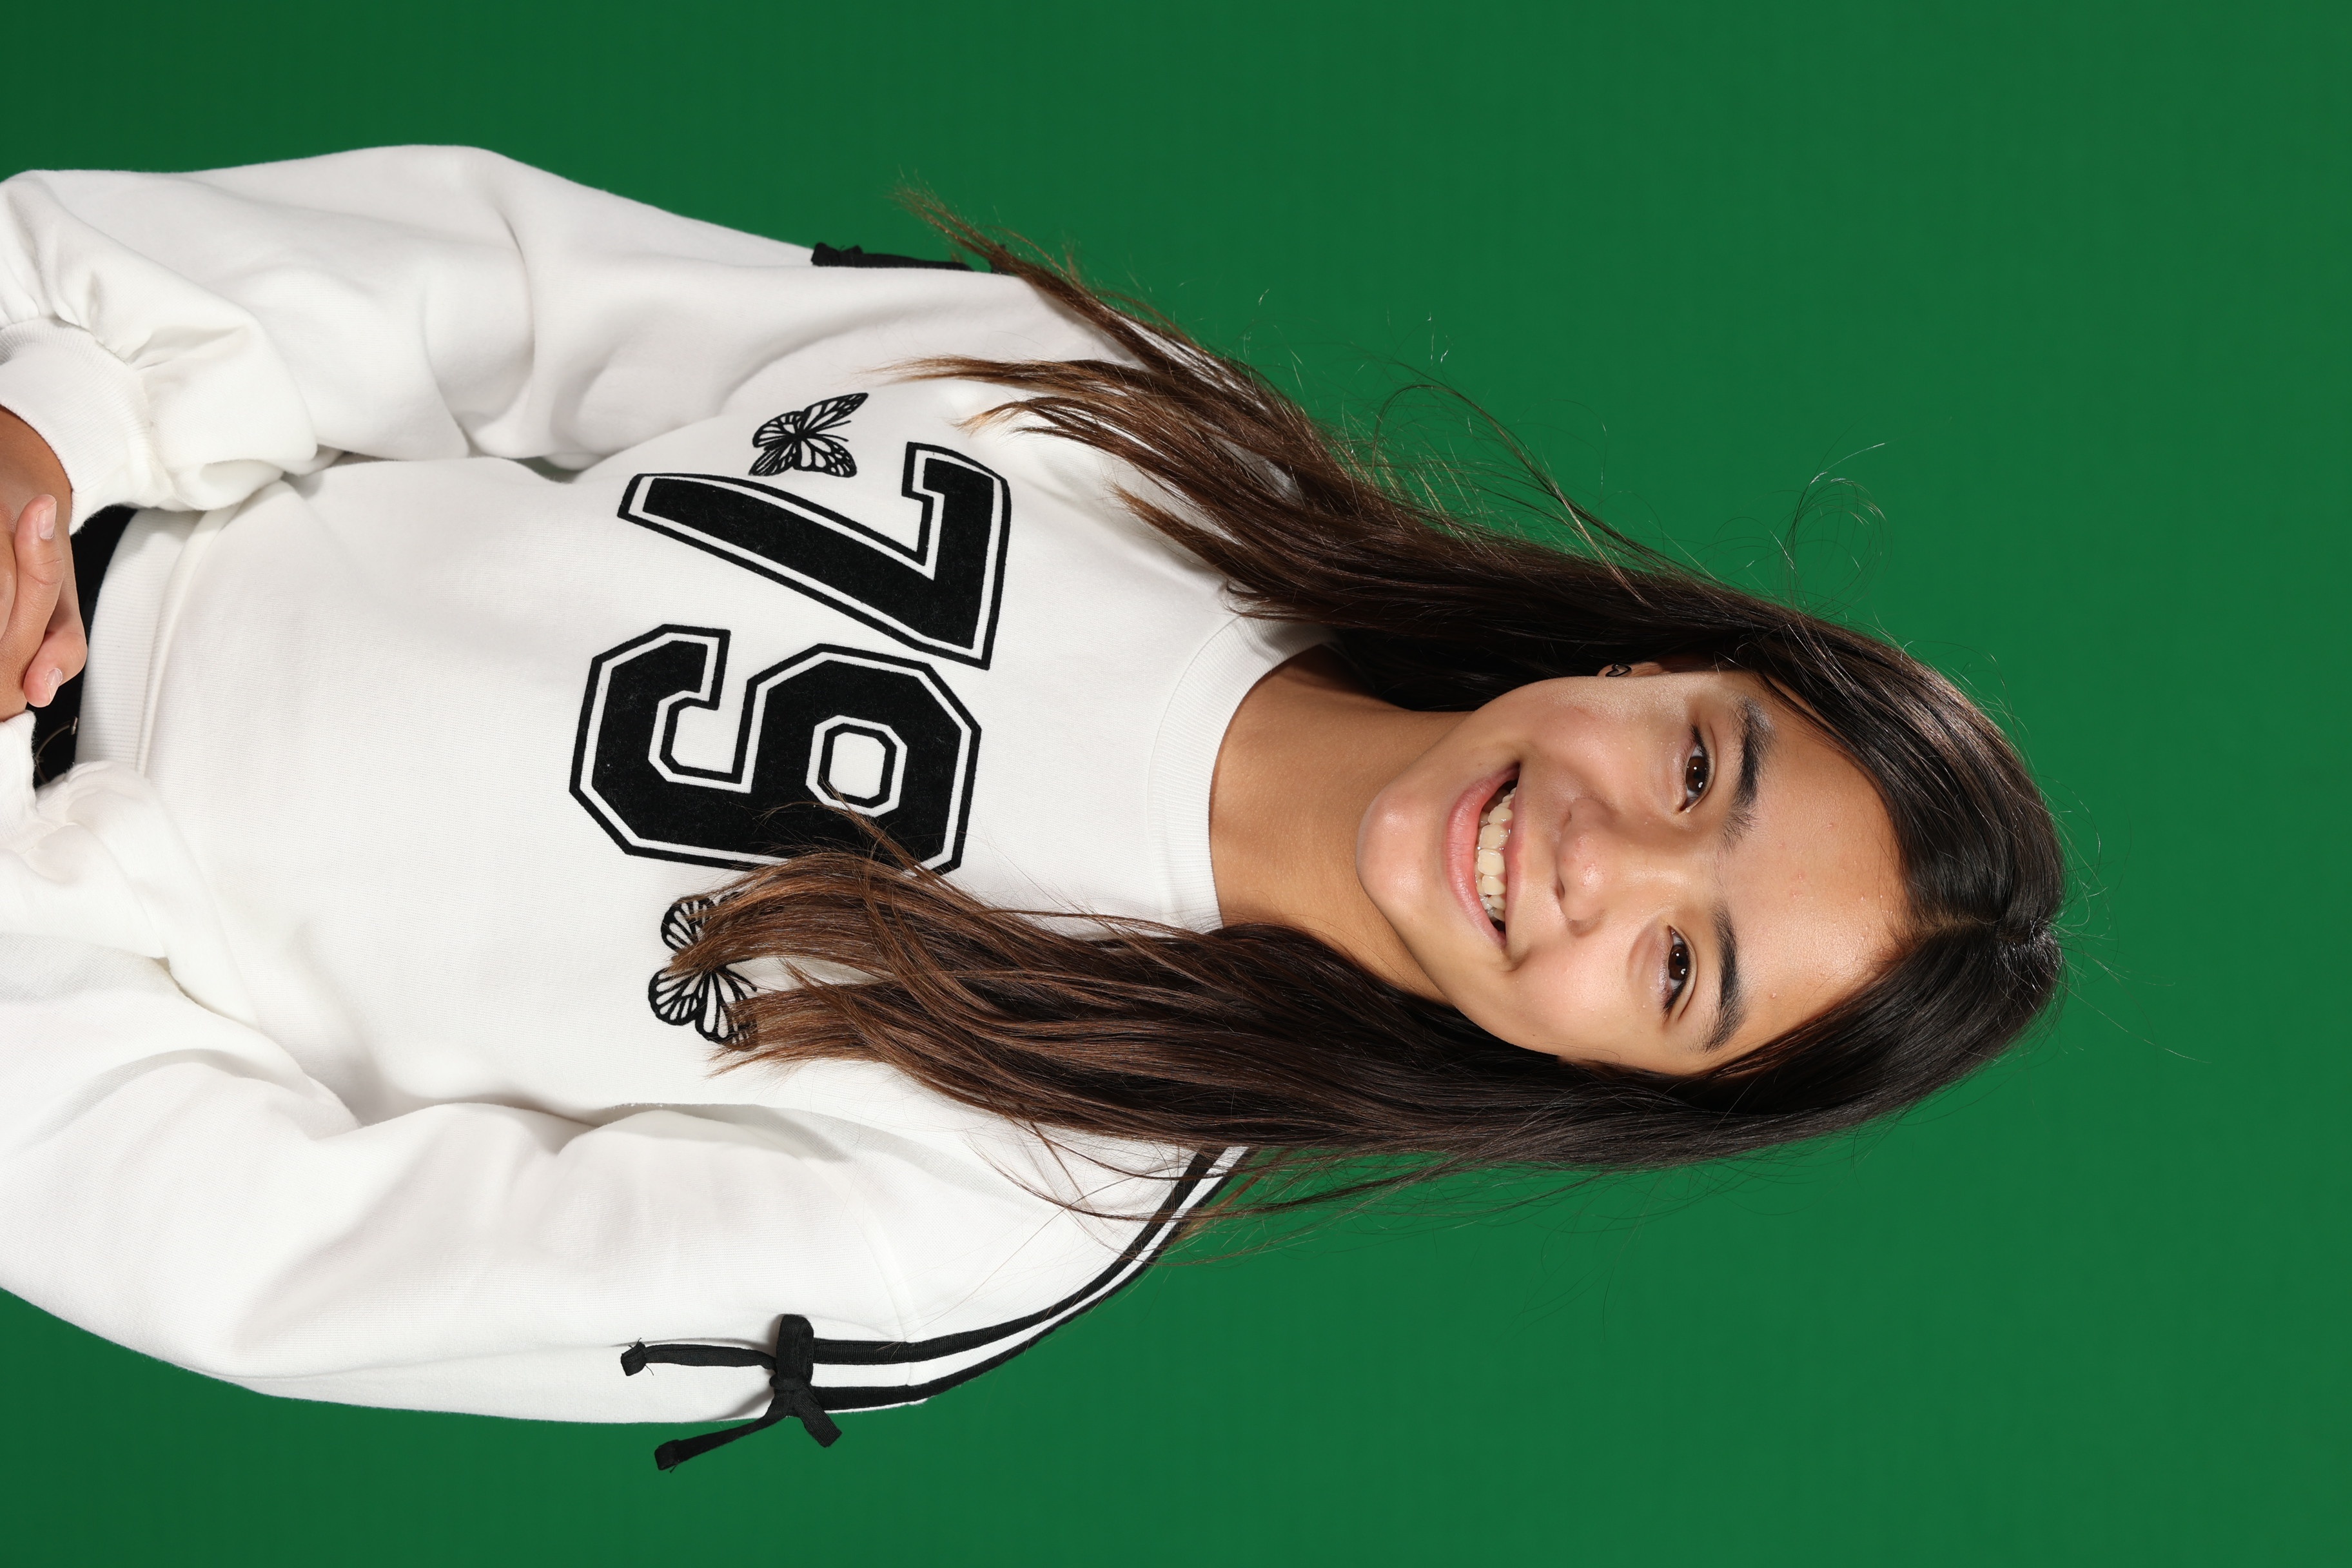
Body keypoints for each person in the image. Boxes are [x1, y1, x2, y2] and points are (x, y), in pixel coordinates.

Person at [0, 147, 2064, 1469]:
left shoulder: (1001, 1221)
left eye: (1682, 969)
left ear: (1620, 1081)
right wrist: (52, 418)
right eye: (1702, 766)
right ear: (1658, 663)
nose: (1601, 858)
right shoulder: (1153, 434)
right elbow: (512, 302)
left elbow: (266, 1249)